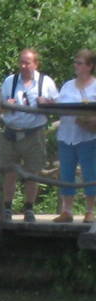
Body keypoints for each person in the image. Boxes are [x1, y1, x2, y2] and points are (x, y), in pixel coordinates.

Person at [0, 48, 58, 221]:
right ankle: (7, 208)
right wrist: (6, 104)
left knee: (33, 172)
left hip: (34, 133)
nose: (24, 66)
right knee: (9, 171)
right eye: (21, 62)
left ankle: (29, 209)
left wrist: (47, 102)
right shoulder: (10, 81)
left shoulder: (45, 82)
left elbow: (59, 103)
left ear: (36, 64)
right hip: (11, 133)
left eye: (27, 62)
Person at [55, 50, 96, 222]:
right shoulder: (67, 86)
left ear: (89, 66)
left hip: (88, 137)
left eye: (80, 63)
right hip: (66, 135)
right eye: (75, 62)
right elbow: (58, 105)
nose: (76, 66)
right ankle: (67, 210)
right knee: (66, 173)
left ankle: (90, 211)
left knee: (90, 173)